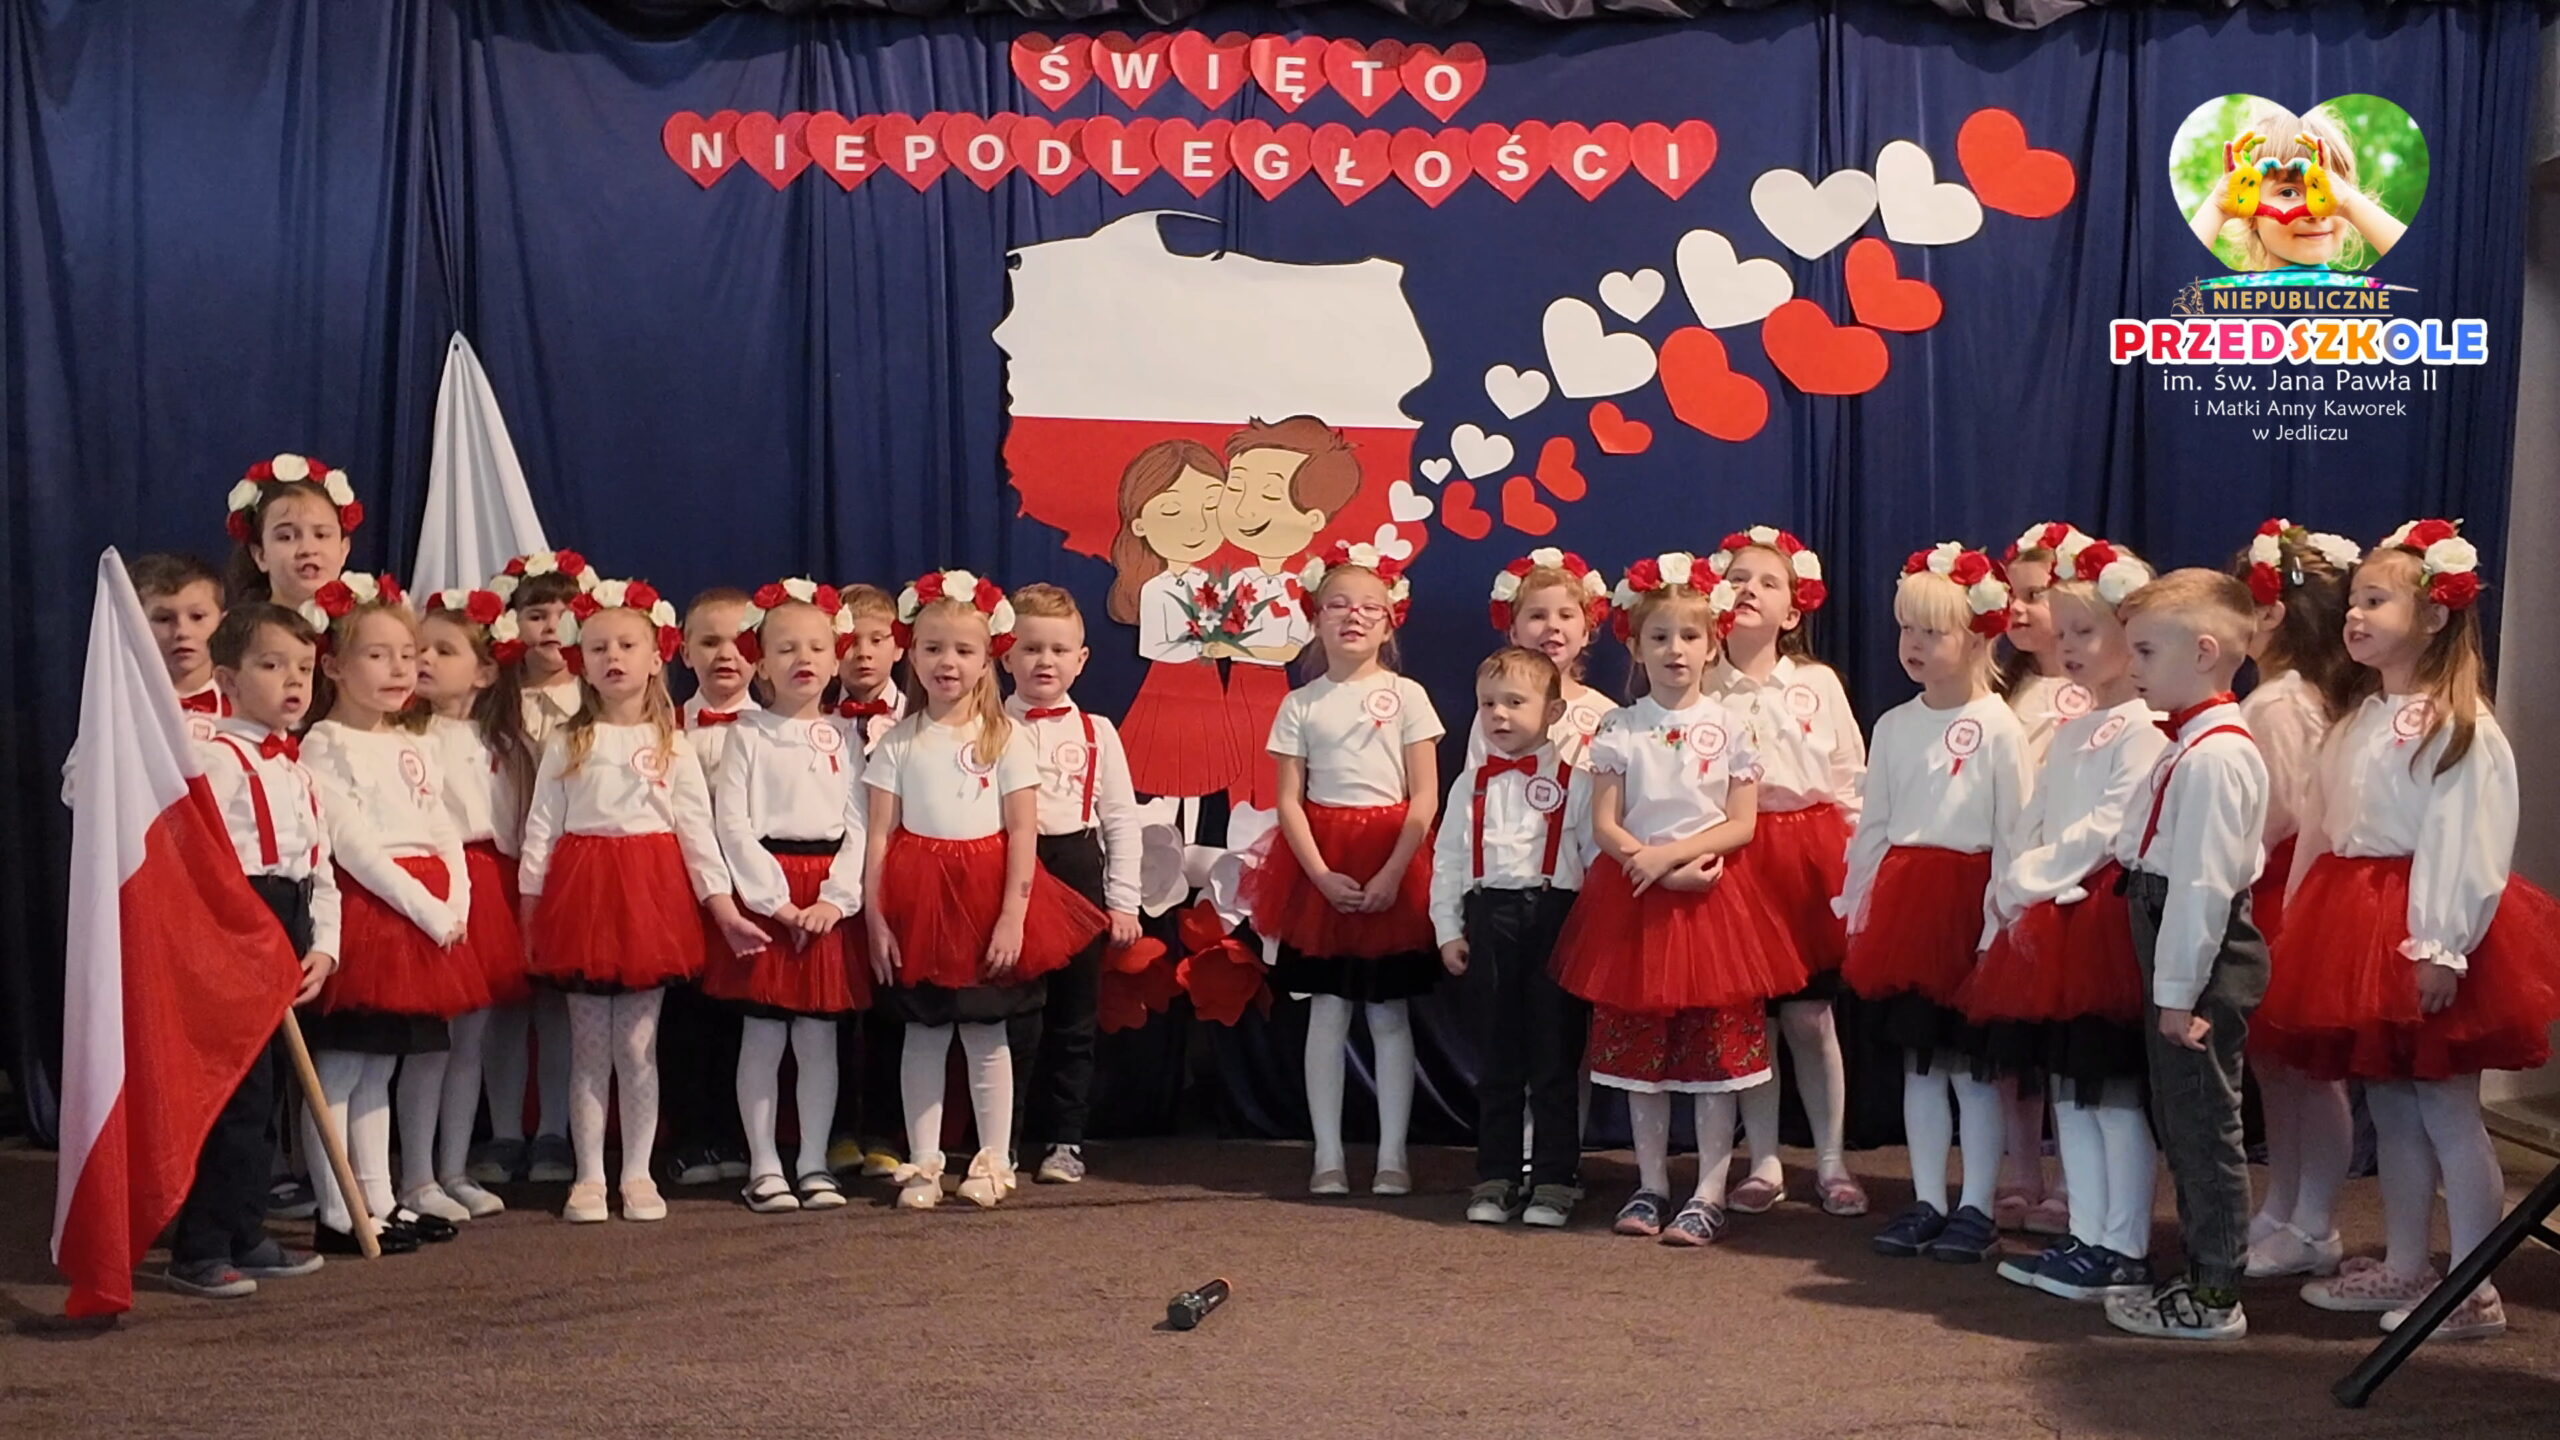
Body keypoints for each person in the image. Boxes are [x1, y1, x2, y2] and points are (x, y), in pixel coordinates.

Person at [2258, 522, 2560, 1339]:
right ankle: (2405, 1259)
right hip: (2353, 923)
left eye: (2375, 601)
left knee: (2446, 1107)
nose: (2354, 615)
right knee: (2391, 1105)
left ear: (2433, 617)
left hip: (2422, 927)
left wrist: (2441, 944)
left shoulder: (2460, 727)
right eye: (2353, 601)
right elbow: (2322, 827)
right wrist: (2298, 918)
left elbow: (2465, 842)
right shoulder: (2360, 719)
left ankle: (2474, 1284)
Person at [1552, 553, 1806, 1247]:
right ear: (1635, 646)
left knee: (1716, 1057)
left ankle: (1708, 1190)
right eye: (1659, 636)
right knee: (1645, 1061)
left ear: (1712, 644)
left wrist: (1671, 858)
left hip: (1711, 904)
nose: (1675, 650)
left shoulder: (1730, 725)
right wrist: (1652, 865)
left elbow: (1742, 822)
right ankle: (1651, 1184)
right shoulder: (1619, 728)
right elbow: (1606, 822)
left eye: (1689, 636)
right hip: (1637, 901)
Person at [1956, 541, 2167, 1301]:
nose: (2072, 647)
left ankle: (2125, 1245)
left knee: (2113, 1092)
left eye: (2088, 631)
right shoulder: (2077, 727)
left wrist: (2032, 875)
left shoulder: (2145, 728)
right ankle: (2087, 1234)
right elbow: (2038, 813)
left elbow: (2110, 826)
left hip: (2101, 922)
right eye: (2066, 632)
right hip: (2057, 918)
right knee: (2072, 1091)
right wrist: (2018, 877)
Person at [518, 579, 760, 1223]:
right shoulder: (568, 740)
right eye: (599, 648)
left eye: (627, 646)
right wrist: (530, 910)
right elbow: (541, 831)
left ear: (657, 658)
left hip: (650, 904)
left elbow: (697, 834)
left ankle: (637, 1173)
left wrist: (722, 908)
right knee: (589, 1051)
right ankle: (589, 1177)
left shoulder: (673, 743)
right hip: (582, 903)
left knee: (637, 1049)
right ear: (581, 660)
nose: (613, 658)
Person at [862, 570, 1105, 1210]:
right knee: (923, 1033)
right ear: (912, 653)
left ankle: (994, 1158)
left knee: (986, 1031)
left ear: (987, 657)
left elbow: (1023, 832)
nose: (948, 662)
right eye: (933, 648)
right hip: (918, 903)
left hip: (985, 898)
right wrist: (876, 917)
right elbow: (879, 837)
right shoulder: (896, 741)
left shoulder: (1006, 739)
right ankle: (924, 1160)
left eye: (963, 650)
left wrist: (1012, 917)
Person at [1842, 542, 2031, 1265]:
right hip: (1907, 911)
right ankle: (1927, 1198)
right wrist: (1858, 908)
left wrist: (1997, 926)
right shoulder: (1894, 725)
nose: (1913, 645)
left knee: (1973, 1071)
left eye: (1932, 631)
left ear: (1978, 636)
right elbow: (1875, 826)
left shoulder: (2001, 726)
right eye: (1905, 629)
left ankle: (1976, 1205)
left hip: (1971, 908)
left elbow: (2014, 835)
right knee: (1921, 1064)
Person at [1240, 543, 1443, 1198]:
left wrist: (1392, 872)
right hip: (1321, 864)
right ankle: (1327, 1155)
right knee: (1327, 1012)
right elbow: (1289, 801)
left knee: (1388, 1015)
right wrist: (1322, 875)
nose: (1353, 617)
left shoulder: (1407, 695)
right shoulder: (1300, 704)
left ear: (1389, 623)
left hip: (1392, 857)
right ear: (1315, 618)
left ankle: (1392, 1156)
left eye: (1368, 608)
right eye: (1338, 605)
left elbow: (1425, 796)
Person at [2100, 569, 2271, 1342]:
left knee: (2204, 1122)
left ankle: (2215, 1292)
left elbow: (2203, 886)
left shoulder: (2215, 757)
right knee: (2182, 1113)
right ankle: (2205, 1271)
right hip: (2171, 936)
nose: (2130, 665)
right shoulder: (2188, 744)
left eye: (2145, 651)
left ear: (2203, 652)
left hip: (2197, 953)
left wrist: (2179, 993)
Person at [297, 575, 482, 1256]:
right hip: (371, 912)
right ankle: (337, 1209)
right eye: (377, 655)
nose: (400, 669)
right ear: (334, 666)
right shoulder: (325, 743)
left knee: (383, 1066)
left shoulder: (415, 741)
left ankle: (379, 1199)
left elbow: (442, 825)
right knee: (344, 1068)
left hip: (423, 910)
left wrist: (457, 899)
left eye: (407, 655)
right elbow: (354, 845)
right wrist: (430, 910)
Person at [164, 603, 336, 1297]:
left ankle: (245, 1230)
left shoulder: (299, 769)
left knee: (268, 1101)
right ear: (229, 680)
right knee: (235, 1098)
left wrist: (324, 947)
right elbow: (192, 863)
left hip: (287, 925)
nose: (293, 681)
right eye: (272, 665)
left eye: (304, 668)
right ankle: (199, 1246)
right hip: (233, 931)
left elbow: (319, 869)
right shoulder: (208, 757)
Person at [1702, 528, 1868, 1219]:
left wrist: (1859, 866)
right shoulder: (1702, 682)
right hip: (1735, 855)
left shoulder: (1816, 683)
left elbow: (1849, 777)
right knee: (1749, 1020)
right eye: (1737, 578)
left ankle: (1830, 1159)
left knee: (1810, 1015)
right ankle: (1764, 1158)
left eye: (1767, 582)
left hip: (1808, 857)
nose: (1749, 589)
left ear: (1793, 612)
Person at [2227, 518, 2363, 1280]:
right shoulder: (2286, 696)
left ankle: (2315, 1219)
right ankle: (2283, 1205)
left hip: (2286, 886)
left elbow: (2278, 810)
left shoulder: (2280, 704)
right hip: (2279, 883)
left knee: (2305, 1069)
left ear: (2273, 613)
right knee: (2277, 1067)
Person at [709, 581, 870, 1213]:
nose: (803, 658)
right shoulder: (747, 733)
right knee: (763, 1034)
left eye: (816, 647)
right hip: (768, 895)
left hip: (826, 897)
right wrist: (776, 904)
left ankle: (812, 1161)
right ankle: (764, 1165)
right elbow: (732, 826)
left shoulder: (848, 735)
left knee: (818, 1038)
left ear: (836, 658)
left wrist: (835, 900)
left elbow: (860, 825)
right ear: (761, 662)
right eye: (785, 648)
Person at [1433, 646, 1593, 1229]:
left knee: (1554, 1059)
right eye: (1488, 704)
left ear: (1553, 712)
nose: (1498, 714)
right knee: (1498, 1060)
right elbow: (1448, 861)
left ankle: (1554, 1178)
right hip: (1489, 920)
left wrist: (1591, 938)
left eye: (1514, 702)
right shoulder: (1469, 784)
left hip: (1556, 920)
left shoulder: (1579, 783)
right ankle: (1497, 1175)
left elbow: (1595, 863)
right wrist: (1447, 929)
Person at [1001, 584, 1145, 1184]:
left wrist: (1124, 902)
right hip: (1008, 872)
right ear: (1006, 654)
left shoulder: (1098, 731)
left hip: (1077, 867)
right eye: (1031, 648)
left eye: (1059, 650)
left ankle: (1065, 1140)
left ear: (1081, 659)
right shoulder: (987, 725)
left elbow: (1121, 820)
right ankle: (1002, 1141)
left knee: (1074, 1015)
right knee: (1011, 1014)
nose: (1045, 661)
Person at [469, 548, 599, 1188]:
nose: (552, 626)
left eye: (565, 613)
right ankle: (504, 1131)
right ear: (510, 624)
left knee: (558, 1003)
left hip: (571, 869)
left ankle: (552, 1130)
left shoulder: (594, 697)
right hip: (505, 864)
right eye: (536, 614)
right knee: (505, 1005)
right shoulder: (491, 700)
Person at [413, 589, 538, 1221]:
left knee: (471, 1040)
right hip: (433, 882)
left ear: (485, 671)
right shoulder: (407, 736)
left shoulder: (509, 745)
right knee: (428, 1042)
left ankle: (453, 1168)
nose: (423, 660)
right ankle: (415, 1174)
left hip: (491, 886)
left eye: (443, 651)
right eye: (419, 649)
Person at [1992, 520, 2090, 1236]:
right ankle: (2022, 1169)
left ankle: (2069, 1181)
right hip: (2011, 877)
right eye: (2012, 595)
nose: (2018, 609)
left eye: (2034, 596)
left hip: (2073, 883)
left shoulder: (2101, 695)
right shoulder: (2009, 691)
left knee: (2067, 1043)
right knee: (2011, 1043)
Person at [665, 587, 759, 1188]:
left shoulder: (778, 728)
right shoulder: (663, 727)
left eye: (739, 641)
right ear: (683, 652)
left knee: (743, 1018)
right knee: (683, 1019)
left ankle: (740, 1136)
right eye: (709, 641)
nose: (726, 654)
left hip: (751, 892)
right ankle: (690, 1138)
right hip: (677, 893)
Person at [1221, 417, 1356, 812]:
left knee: (1272, 759)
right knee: (1233, 759)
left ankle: (1269, 826)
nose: (1246, 509)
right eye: (1236, 488)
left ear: (1313, 518)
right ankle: (1233, 820)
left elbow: (1290, 648)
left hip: (1273, 686)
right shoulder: (1235, 580)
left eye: (1268, 495)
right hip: (1233, 685)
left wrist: (1234, 647)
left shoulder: (1303, 588)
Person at [823, 581, 910, 1180]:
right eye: (850, 641)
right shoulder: (813, 717)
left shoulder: (918, 718)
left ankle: (884, 1130)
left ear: (899, 646)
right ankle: (834, 1132)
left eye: (877, 640)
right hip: (829, 880)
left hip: (899, 877)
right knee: (830, 1011)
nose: (863, 653)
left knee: (891, 1008)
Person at [1104, 439, 1244, 801]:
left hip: (1205, 685)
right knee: (1163, 767)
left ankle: (1195, 830)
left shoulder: (1210, 583)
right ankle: (1160, 822)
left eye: (1211, 507)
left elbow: (1226, 628)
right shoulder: (1154, 588)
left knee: (1202, 767)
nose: (1196, 525)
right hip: (1167, 685)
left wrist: (1223, 639)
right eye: (1172, 511)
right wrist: (1198, 645)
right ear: (1139, 524)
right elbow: (1154, 646)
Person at [2190, 107, 2405, 276]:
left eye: (2331, 189)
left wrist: (2348, 202)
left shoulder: (2367, 292)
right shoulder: (2232, 296)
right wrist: (2218, 207)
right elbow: (2174, 279)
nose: (2316, 212)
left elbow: (2419, 264)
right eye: (2288, 192)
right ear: (2249, 216)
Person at [222, 453, 358, 609]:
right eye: (286, 537)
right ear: (260, 555)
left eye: (321, 535)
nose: (308, 549)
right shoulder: (241, 624)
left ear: (343, 550)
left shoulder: (367, 622)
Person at [132, 553, 230, 716]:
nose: (182, 632)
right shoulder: (117, 706)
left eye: (197, 616)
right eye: (164, 619)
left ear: (223, 623)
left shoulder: (251, 704)